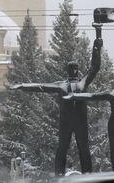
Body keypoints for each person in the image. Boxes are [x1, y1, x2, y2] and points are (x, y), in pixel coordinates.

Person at [10, 37, 103, 175]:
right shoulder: (61, 85)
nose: (74, 71)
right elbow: (41, 87)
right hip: (65, 122)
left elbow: (95, 67)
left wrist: (96, 49)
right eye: (72, 69)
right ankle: (59, 176)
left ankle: (88, 175)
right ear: (68, 71)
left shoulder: (82, 83)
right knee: (62, 149)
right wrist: (23, 86)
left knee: (84, 149)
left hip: (80, 122)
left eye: (76, 69)